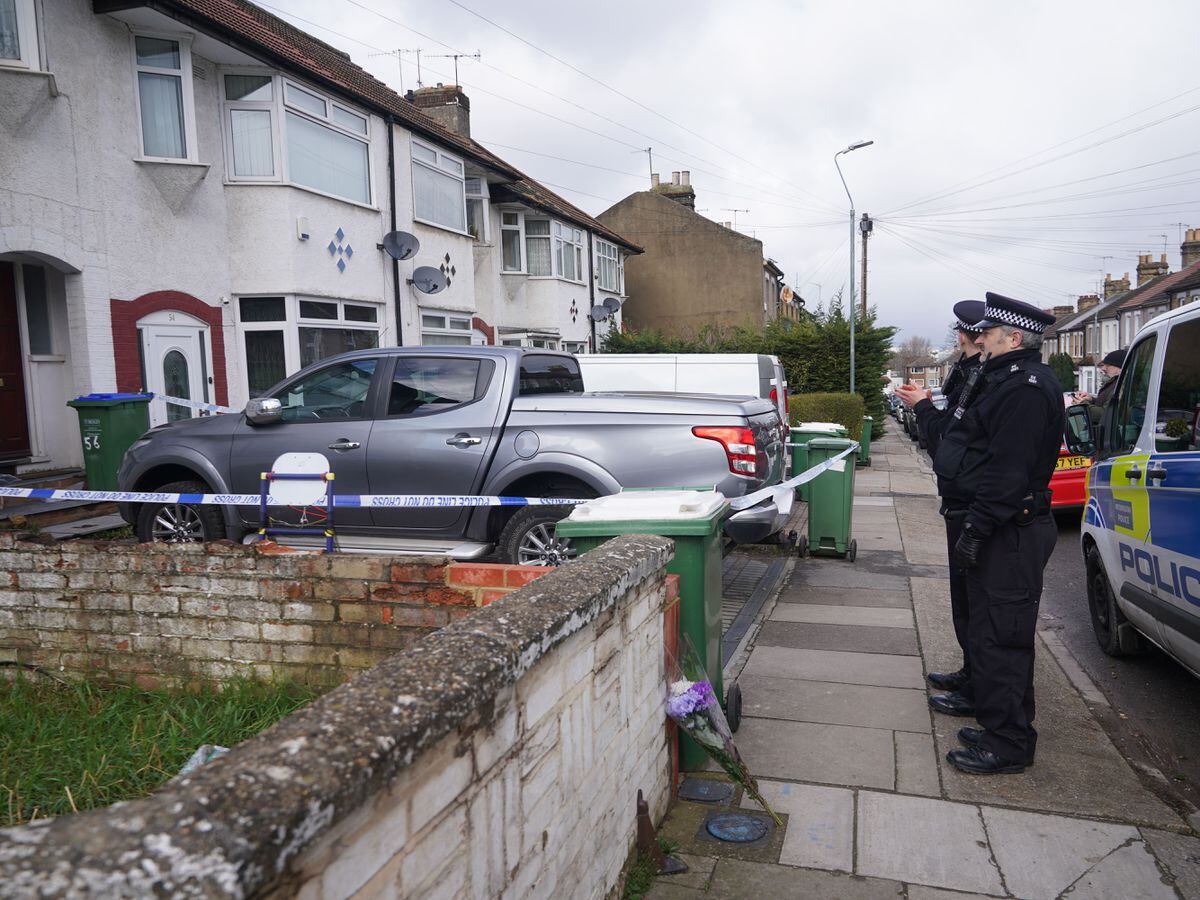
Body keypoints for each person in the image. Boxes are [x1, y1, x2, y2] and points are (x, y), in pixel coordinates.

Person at [930, 292, 1065, 775]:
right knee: (987, 633)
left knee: (1003, 638)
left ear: (1013, 337)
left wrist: (978, 528)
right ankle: (996, 724)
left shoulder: (1026, 388)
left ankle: (1009, 743)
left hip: (1010, 531)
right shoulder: (1006, 379)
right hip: (997, 527)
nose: (977, 340)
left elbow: (1008, 473)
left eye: (986, 334)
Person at [894, 300, 985, 702]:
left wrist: (924, 408)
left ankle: (978, 684)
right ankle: (971, 672)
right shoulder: (967, 372)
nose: (961, 338)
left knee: (978, 602)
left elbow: (954, 437)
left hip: (973, 500)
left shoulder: (984, 377)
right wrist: (927, 407)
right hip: (959, 496)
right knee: (963, 597)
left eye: (962, 332)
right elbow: (946, 435)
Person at [1077, 348, 1126, 422]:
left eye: (1108, 365)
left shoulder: (1121, 386)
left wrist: (1083, 404)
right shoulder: (1115, 382)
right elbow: (1106, 404)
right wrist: (1091, 399)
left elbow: (1105, 414)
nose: (1103, 368)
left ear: (1120, 368)